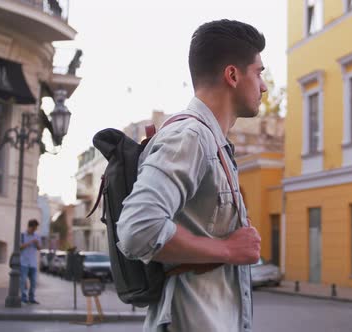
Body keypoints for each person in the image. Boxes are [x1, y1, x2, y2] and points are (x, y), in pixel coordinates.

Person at [117, 19, 267, 332]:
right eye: (259, 73)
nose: (264, 86)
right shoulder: (191, 137)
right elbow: (138, 228)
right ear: (233, 75)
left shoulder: (211, 142)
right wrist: (228, 250)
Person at [20, 218, 41, 304]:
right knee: (23, 281)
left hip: (33, 263)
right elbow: (20, 247)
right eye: (34, 228)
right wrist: (30, 242)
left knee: (33, 282)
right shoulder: (22, 235)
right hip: (23, 262)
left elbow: (39, 248)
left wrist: (36, 244)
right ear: (30, 227)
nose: (35, 230)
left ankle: (32, 298)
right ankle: (23, 298)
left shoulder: (37, 236)